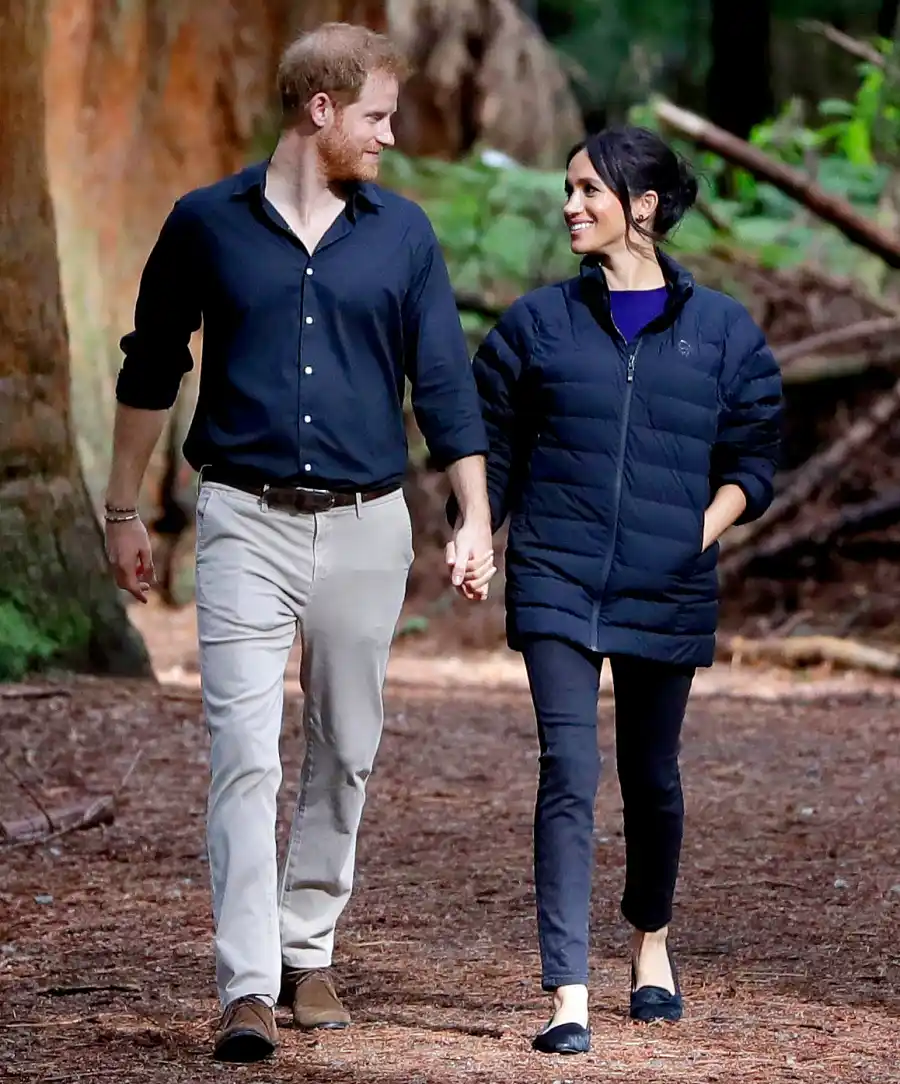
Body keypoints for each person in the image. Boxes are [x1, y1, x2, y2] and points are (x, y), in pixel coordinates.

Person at [103, 22, 495, 1064]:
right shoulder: (205, 226)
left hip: (369, 524)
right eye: (376, 116)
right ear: (319, 111)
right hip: (242, 517)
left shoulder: (402, 236)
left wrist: (475, 514)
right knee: (241, 755)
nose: (392, 136)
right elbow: (149, 366)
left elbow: (446, 385)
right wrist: (120, 506)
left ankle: (305, 946)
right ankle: (245, 984)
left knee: (346, 749)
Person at [459, 126, 782, 1055]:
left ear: (642, 207)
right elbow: (493, 443)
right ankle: (566, 990)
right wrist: (477, 528)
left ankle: (651, 944)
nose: (571, 205)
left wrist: (699, 530)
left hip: (667, 581)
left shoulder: (723, 332)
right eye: (569, 189)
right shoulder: (536, 325)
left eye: (589, 190)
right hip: (557, 573)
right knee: (567, 771)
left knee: (652, 777)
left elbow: (754, 456)